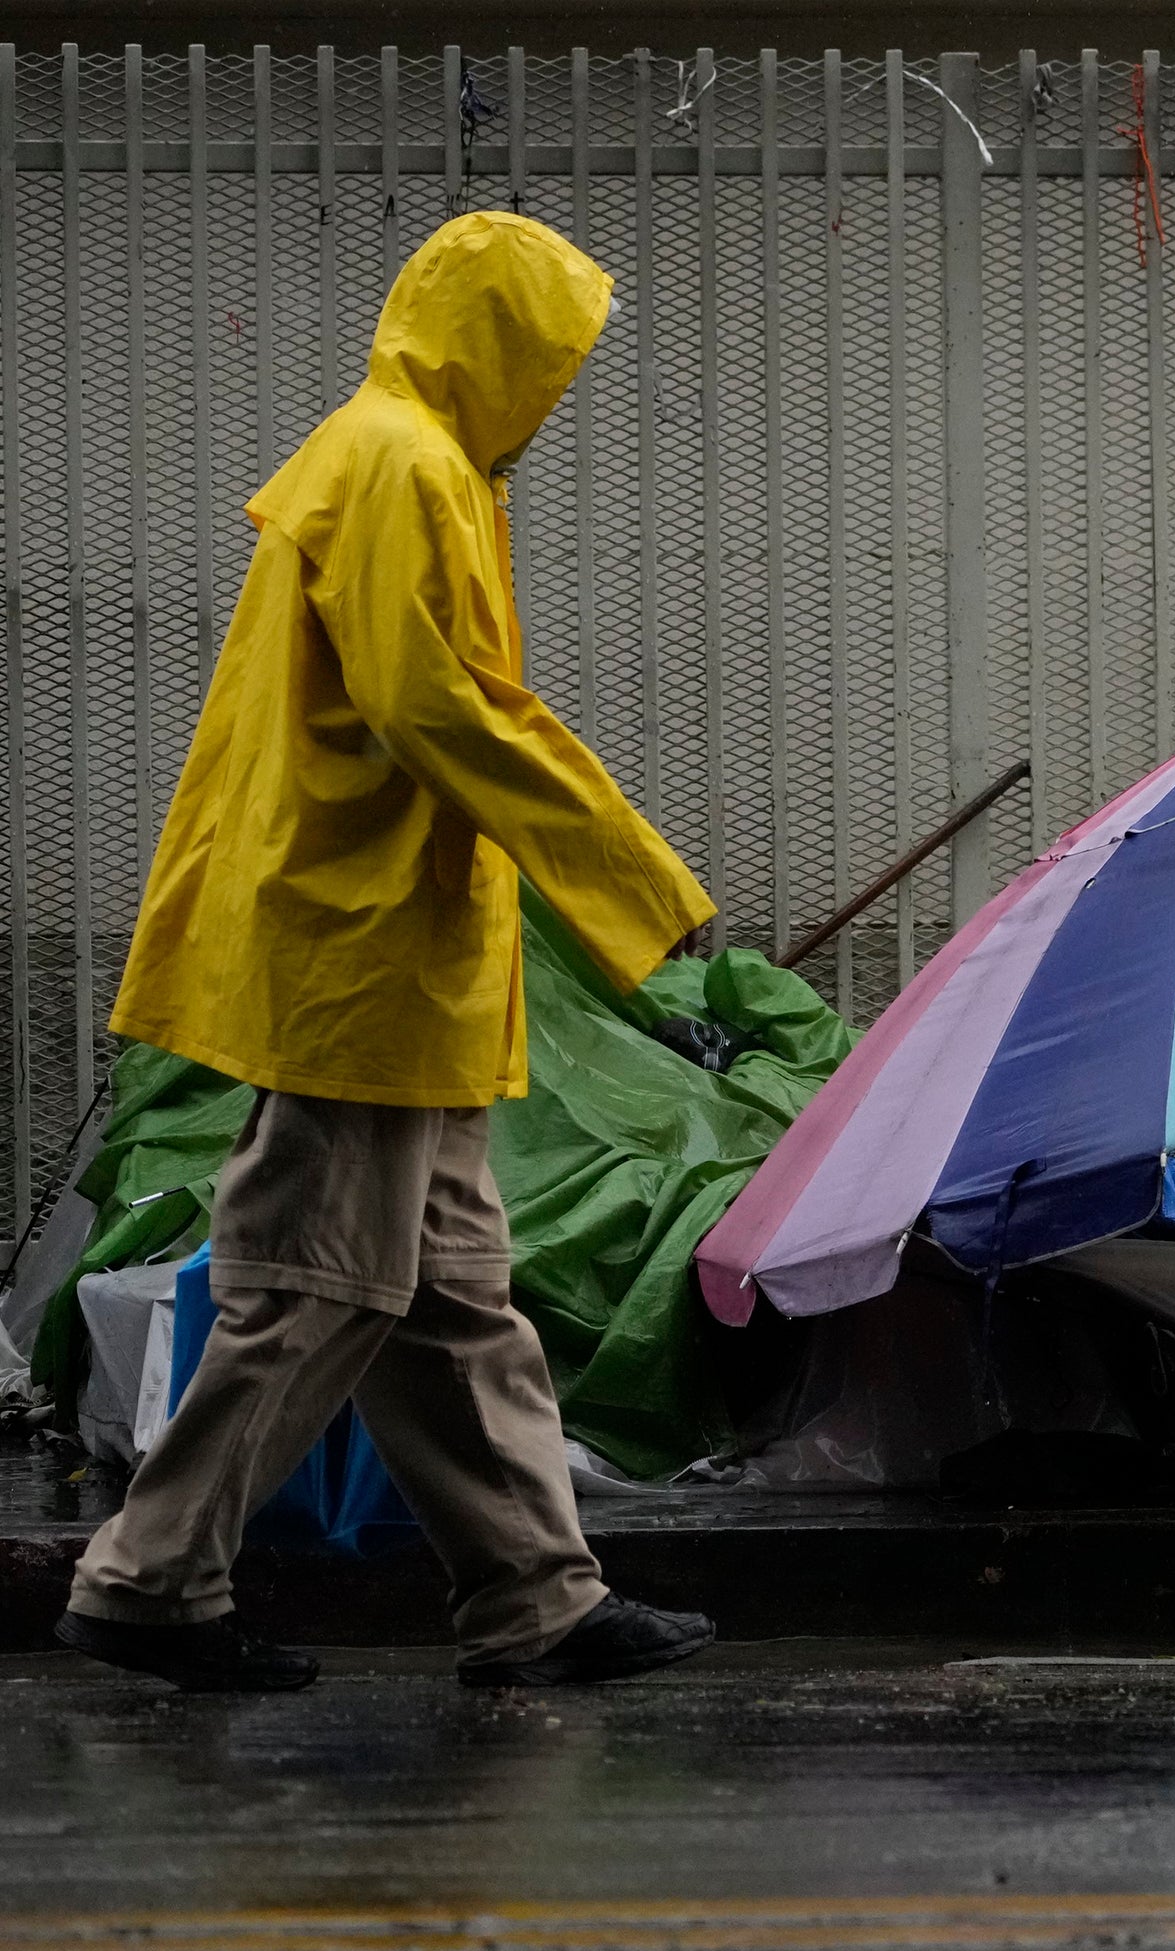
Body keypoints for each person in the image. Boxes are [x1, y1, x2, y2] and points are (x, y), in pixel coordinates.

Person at [56, 211, 720, 1694]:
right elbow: (442, 708)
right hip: (359, 952)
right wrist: (631, 876)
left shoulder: (414, 460)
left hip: (393, 955)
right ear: (498, 344)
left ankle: (537, 1597)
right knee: (319, 1283)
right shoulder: (406, 463)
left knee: (448, 1295)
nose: (558, 388)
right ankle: (152, 1580)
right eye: (554, 354)